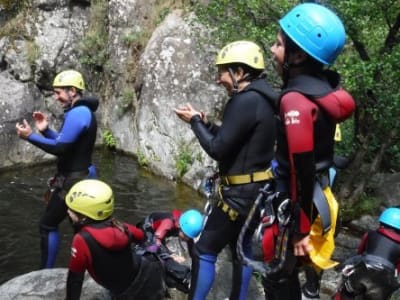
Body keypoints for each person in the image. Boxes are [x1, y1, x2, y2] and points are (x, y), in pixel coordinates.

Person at [262, 3, 356, 299]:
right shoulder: (324, 89)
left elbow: (301, 167)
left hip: (298, 201)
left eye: (279, 44)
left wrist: (301, 229)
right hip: (318, 192)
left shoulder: (294, 102)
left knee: (278, 275)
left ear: (298, 55)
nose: (273, 49)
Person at [174, 40, 277, 300]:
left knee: (203, 251)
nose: (219, 79)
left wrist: (195, 122)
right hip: (256, 193)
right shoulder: (264, 99)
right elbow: (236, 143)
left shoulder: (244, 101)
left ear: (239, 72)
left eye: (222, 72)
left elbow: (218, 150)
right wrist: (207, 124)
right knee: (241, 248)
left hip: (237, 197)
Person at [15, 69, 99, 268]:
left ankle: (46, 273)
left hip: (73, 181)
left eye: (59, 92)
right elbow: (67, 143)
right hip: (79, 176)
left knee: (47, 224)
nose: (56, 97)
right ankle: (91, 267)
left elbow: (61, 148)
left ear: (72, 90)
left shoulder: (79, 112)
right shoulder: (80, 111)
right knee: (80, 227)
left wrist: (30, 136)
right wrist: (45, 130)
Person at [64, 179, 165, 300]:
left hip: (124, 292)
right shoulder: (121, 226)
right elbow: (143, 238)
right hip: (149, 277)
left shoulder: (82, 239)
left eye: (73, 210)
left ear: (84, 217)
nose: (68, 212)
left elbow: (75, 279)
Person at [333, 207, 400, 300]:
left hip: (365, 268)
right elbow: (397, 269)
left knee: (347, 292)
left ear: (381, 223)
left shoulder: (370, 234)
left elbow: (360, 252)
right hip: (385, 279)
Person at [138, 209, 204, 260]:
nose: (187, 239)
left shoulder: (185, 227)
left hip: (161, 232)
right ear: (180, 226)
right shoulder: (168, 223)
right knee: (151, 250)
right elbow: (156, 241)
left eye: (189, 237)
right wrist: (170, 256)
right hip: (148, 228)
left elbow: (192, 253)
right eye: (186, 236)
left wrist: (196, 259)